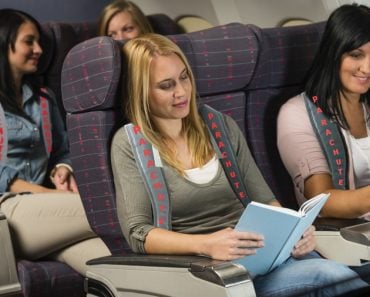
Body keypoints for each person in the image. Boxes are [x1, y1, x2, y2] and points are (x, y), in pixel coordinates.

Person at [111, 33, 368, 297]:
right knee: (329, 276)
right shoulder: (131, 144)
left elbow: (266, 201)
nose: (182, 91)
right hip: (213, 274)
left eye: (184, 77)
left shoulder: (219, 126)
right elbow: (138, 233)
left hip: (263, 256)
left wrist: (295, 233)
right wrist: (207, 245)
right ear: (142, 90)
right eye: (166, 85)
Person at [0, 8, 110, 275]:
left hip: (46, 216)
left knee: (115, 266)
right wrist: (51, 194)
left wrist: (63, 169)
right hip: (7, 210)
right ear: (4, 43)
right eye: (29, 41)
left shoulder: (44, 97)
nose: (38, 49)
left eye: (39, 41)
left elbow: (63, 150)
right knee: (108, 207)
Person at [277, 4, 370, 220]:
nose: (367, 68)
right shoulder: (297, 113)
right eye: (356, 55)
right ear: (333, 53)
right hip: (343, 232)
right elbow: (321, 200)